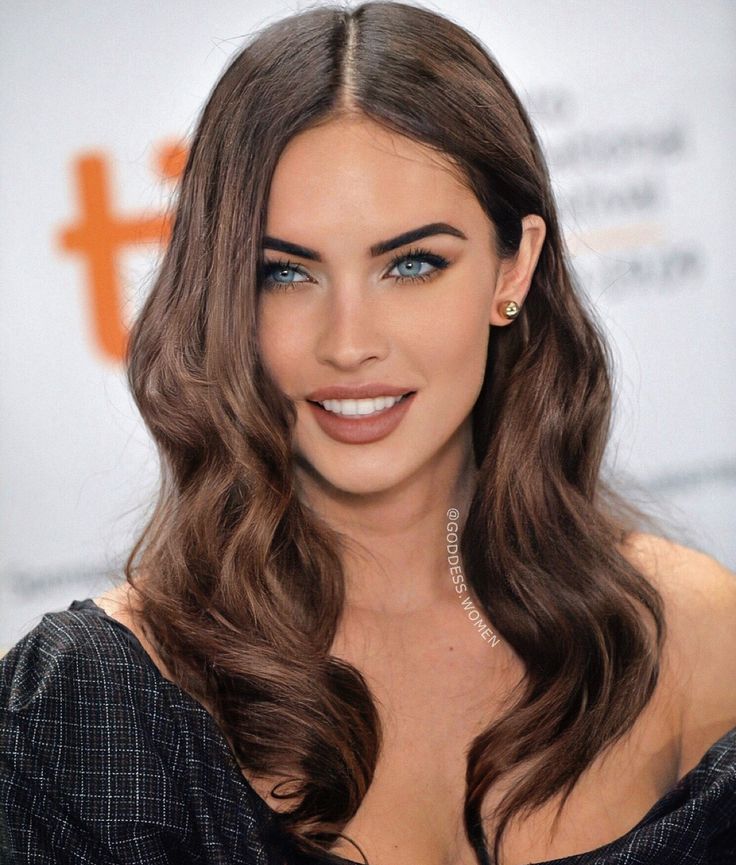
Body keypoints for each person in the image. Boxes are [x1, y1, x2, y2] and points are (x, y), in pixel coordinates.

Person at [2, 2, 735, 863]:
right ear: (221, 296)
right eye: (284, 272)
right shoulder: (84, 711)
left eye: (413, 263)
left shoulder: (694, 634)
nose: (349, 342)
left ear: (515, 266)